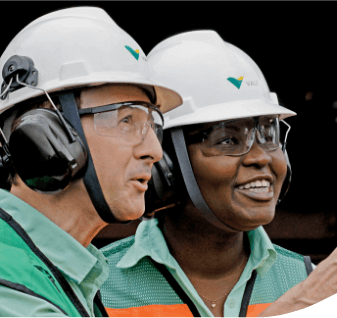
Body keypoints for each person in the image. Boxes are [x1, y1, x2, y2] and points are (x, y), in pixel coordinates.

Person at [98, 30, 337, 318]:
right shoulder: (94, 287)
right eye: (228, 139)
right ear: (162, 161)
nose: (262, 158)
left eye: (269, 136)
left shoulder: (311, 279)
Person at [0, 7, 182, 317]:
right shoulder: (11, 287)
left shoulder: (68, 273)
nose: (154, 150)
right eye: (126, 119)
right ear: (44, 133)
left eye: (152, 125)